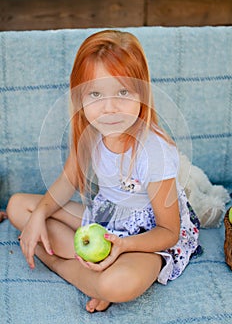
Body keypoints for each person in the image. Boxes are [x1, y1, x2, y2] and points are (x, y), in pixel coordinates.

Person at [7, 30, 201, 313]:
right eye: (96, 94)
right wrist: (38, 215)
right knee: (18, 207)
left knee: (117, 285)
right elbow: (67, 182)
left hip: (145, 237)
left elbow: (168, 232)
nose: (109, 108)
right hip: (104, 221)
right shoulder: (90, 132)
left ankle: (56, 261)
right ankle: (87, 266)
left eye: (123, 92)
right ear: (80, 98)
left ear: (142, 93)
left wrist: (122, 247)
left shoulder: (154, 151)